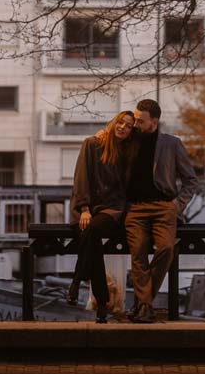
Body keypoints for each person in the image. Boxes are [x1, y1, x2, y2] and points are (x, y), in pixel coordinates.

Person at [124, 98, 199, 324]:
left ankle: (142, 303)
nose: (135, 124)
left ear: (154, 122)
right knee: (137, 253)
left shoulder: (172, 144)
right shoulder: (126, 141)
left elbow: (191, 181)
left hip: (164, 207)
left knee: (166, 249)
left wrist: (177, 205)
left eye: (140, 121)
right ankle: (145, 306)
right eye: (135, 119)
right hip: (135, 209)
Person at [67, 110, 137, 323]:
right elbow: (81, 177)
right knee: (93, 241)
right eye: (121, 122)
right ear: (114, 122)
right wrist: (85, 208)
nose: (123, 127)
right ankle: (103, 307)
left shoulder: (129, 151)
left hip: (113, 209)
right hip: (88, 207)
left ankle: (77, 279)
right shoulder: (92, 143)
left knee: (93, 230)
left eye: (128, 126)